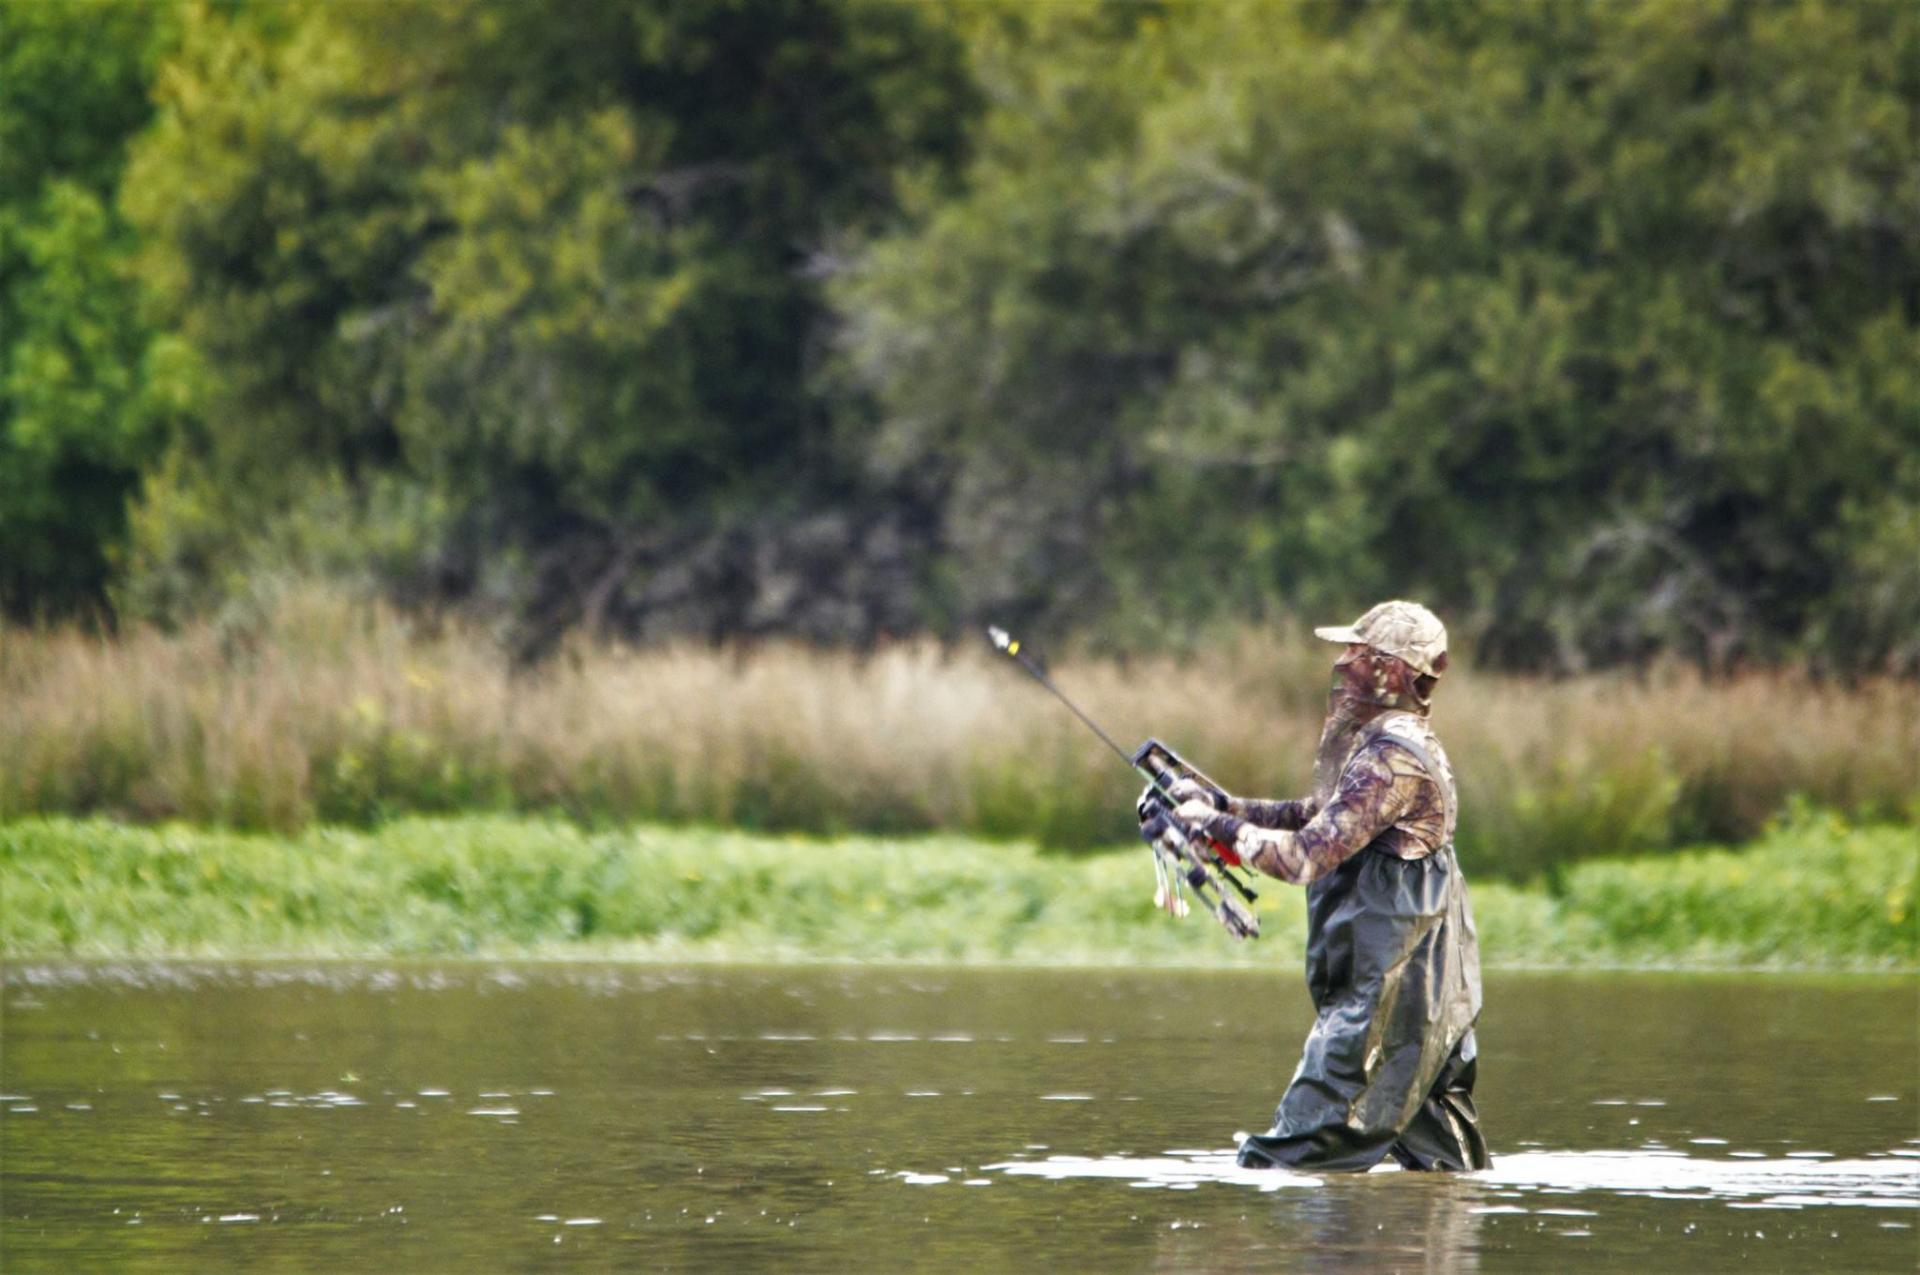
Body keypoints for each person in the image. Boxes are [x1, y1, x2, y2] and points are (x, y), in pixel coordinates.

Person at [1145, 600, 1490, 1173]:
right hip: (1426, 991)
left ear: (1391, 669)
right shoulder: (1388, 745)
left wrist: (1217, 827)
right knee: (1445, 1168)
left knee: (1297, 1150)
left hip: (1393, 998)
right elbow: (1320, 815)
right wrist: (1222, 806)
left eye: (1357, 652)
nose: (1342, 661)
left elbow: (1307, 855)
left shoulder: (1392, 761)